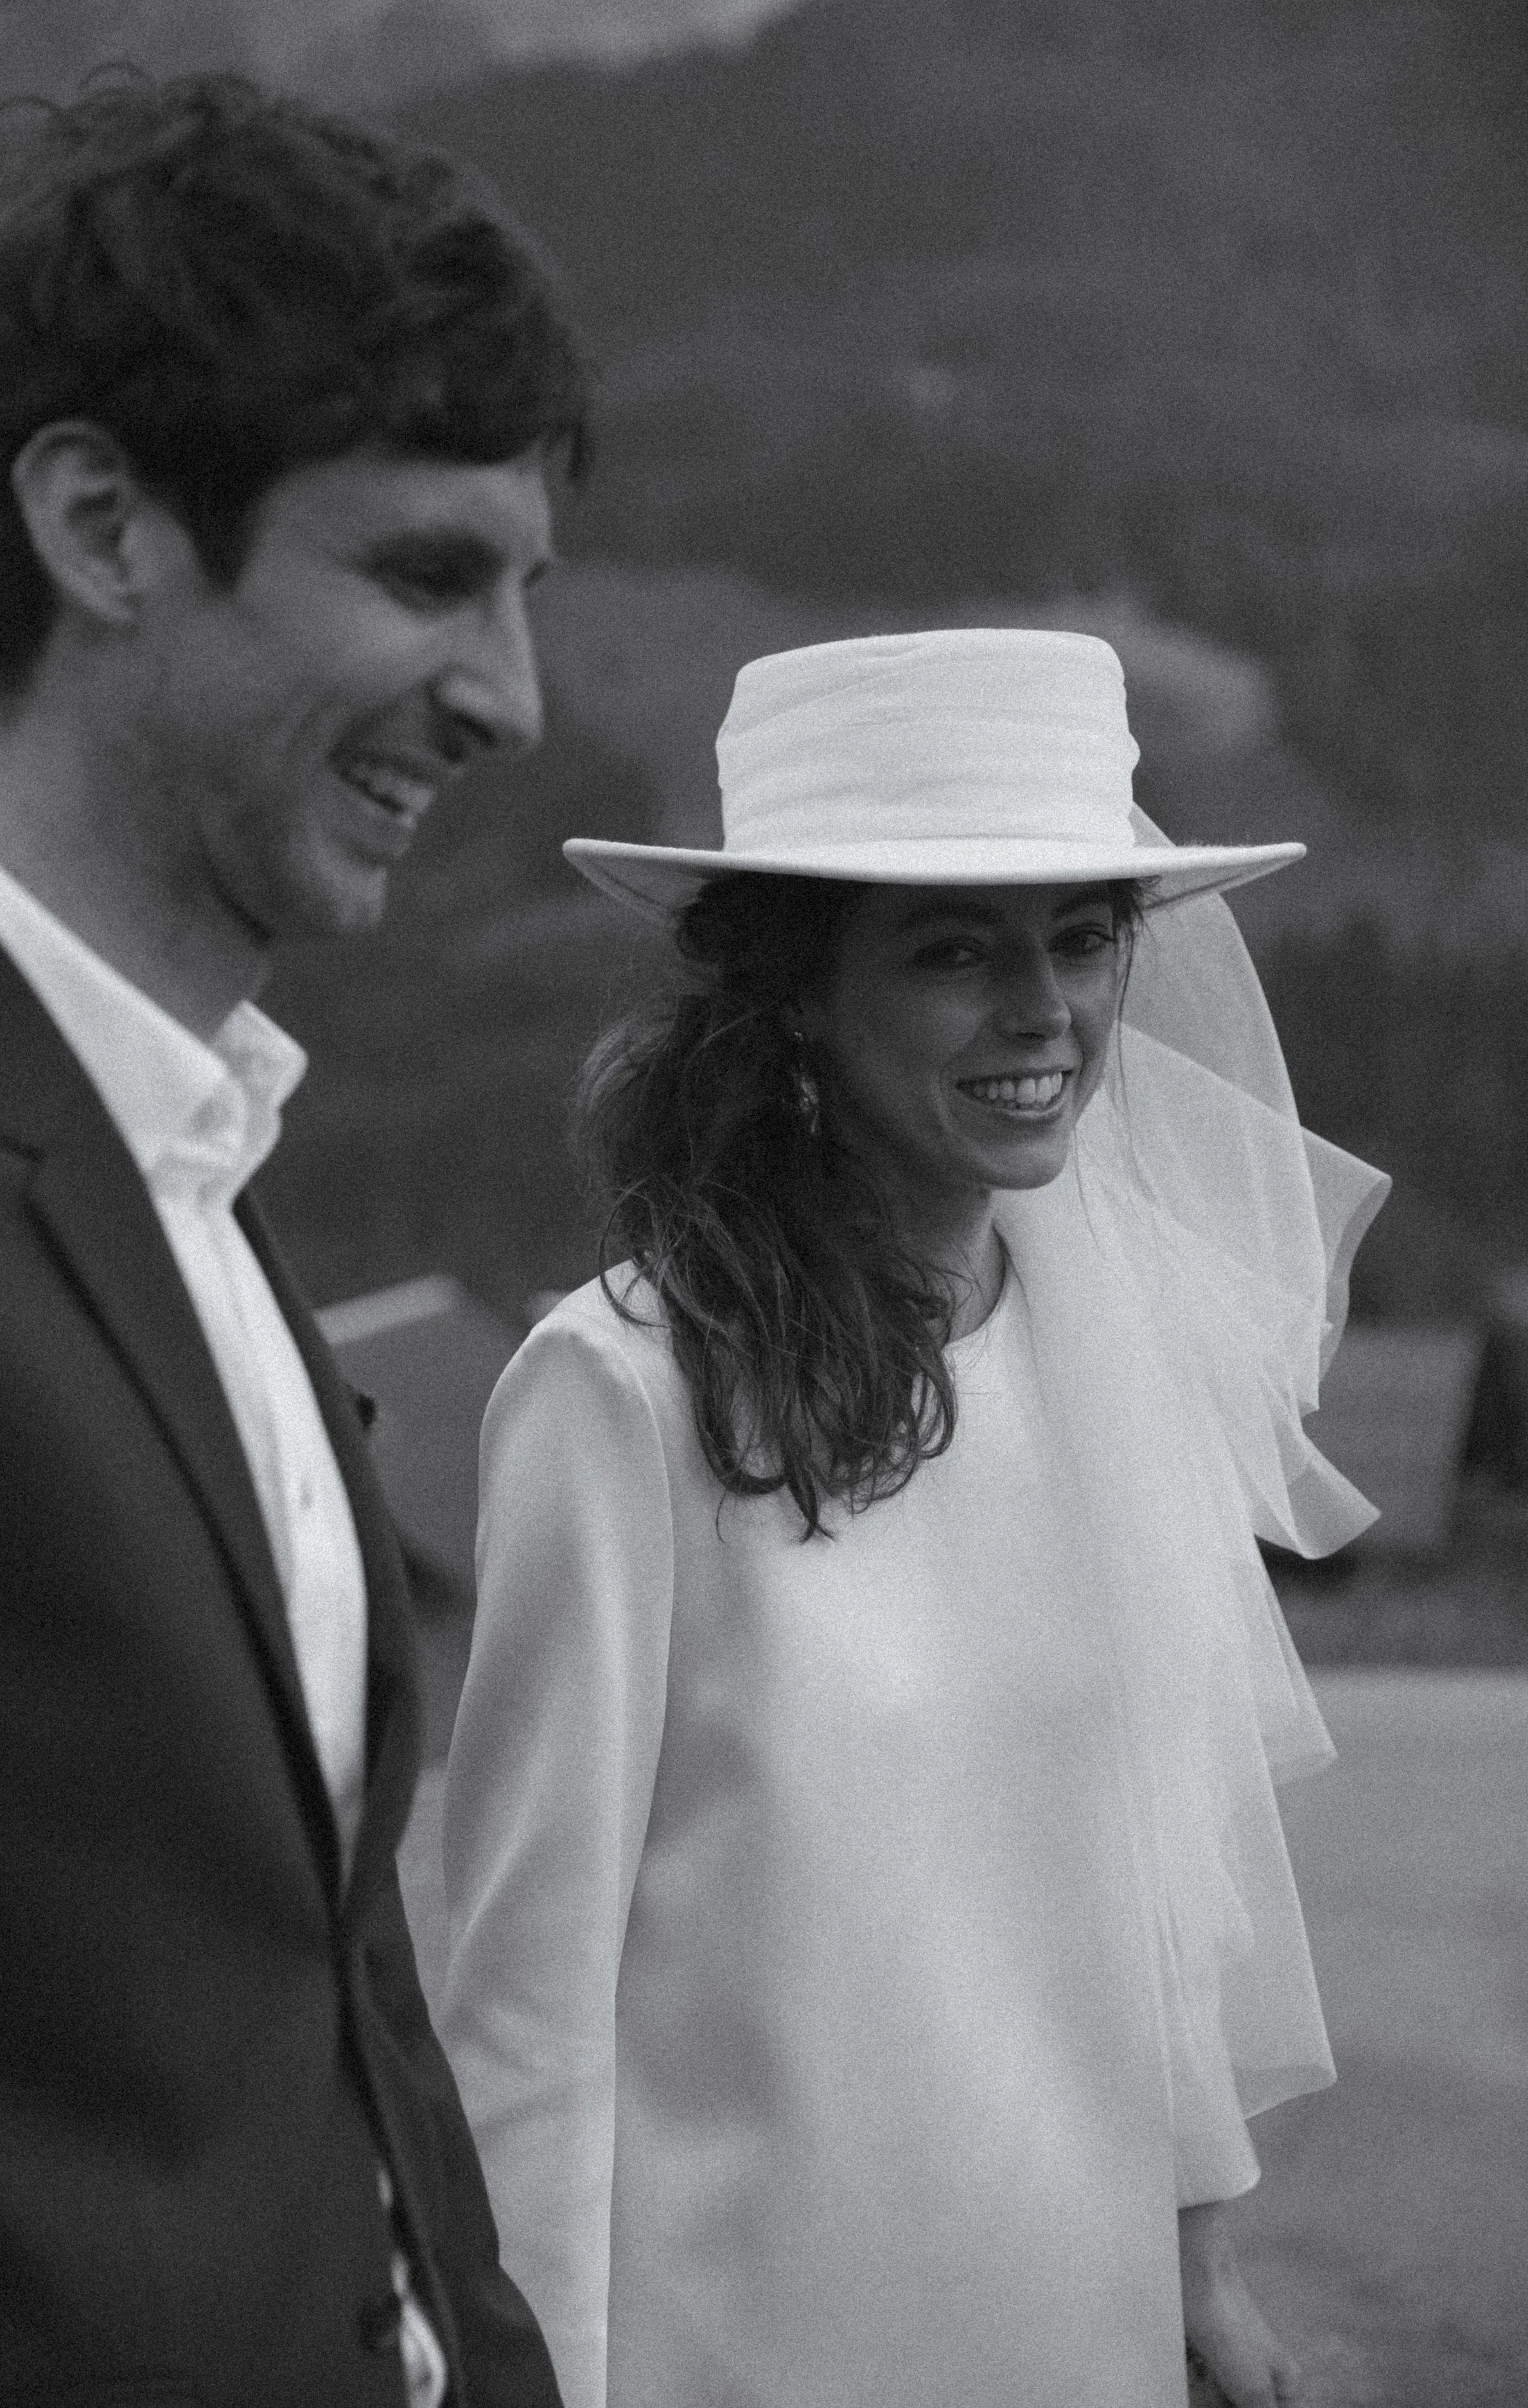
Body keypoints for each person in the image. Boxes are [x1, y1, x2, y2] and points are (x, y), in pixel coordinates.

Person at [412, 629, 1389, 2408]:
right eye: (953, 950)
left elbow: (1145, 1879)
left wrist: (1196, 2276)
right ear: (790, 987)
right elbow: (523, 2012)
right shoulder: (620, 1394)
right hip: (753, 2347)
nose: (1046, 1011)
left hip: (1069, 2330)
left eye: (1082, 937)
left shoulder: (1115, 1343)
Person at [0, 74, 588, 2406]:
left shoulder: (188, 1180)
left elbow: (321, 2022)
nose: (513, 694)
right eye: (425, 573)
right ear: (104, 524)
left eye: (528, 587)